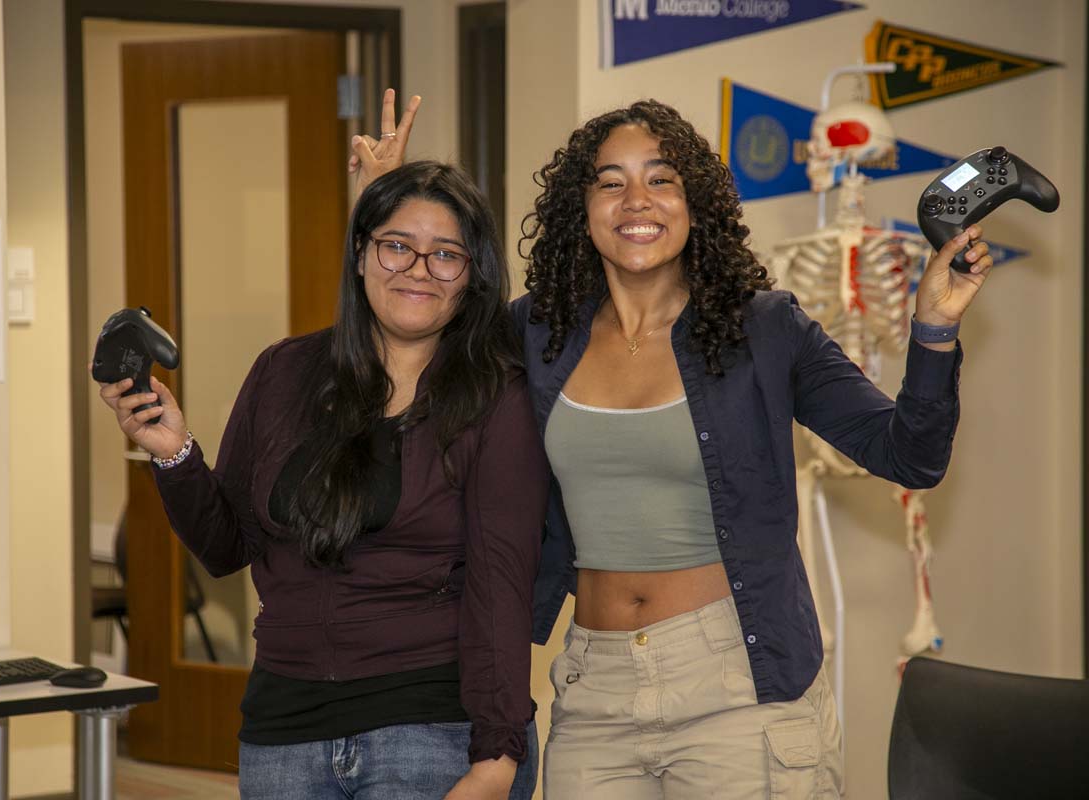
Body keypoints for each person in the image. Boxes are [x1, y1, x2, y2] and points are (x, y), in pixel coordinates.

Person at [512, 100, 990, 799]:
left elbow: (910, 455)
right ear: (580, 209)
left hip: (737, 681)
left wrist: (934, 330)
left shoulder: (765, 329)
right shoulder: (533, 334)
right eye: (610, 182)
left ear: (696, 203)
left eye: (661, 179)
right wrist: (386, 206)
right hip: (594, 687)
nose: (635, 200)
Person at [97, 96, 548, 799]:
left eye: (447, 255)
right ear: (362, 254)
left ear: (473, 277)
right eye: (397, 245)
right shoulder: (285, 371)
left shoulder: (495, 395)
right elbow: (226, 548)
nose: (418, 270)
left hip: (431, 733)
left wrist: (497, 753)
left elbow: (501, 583)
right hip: (283, 734)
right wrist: (174, 453)